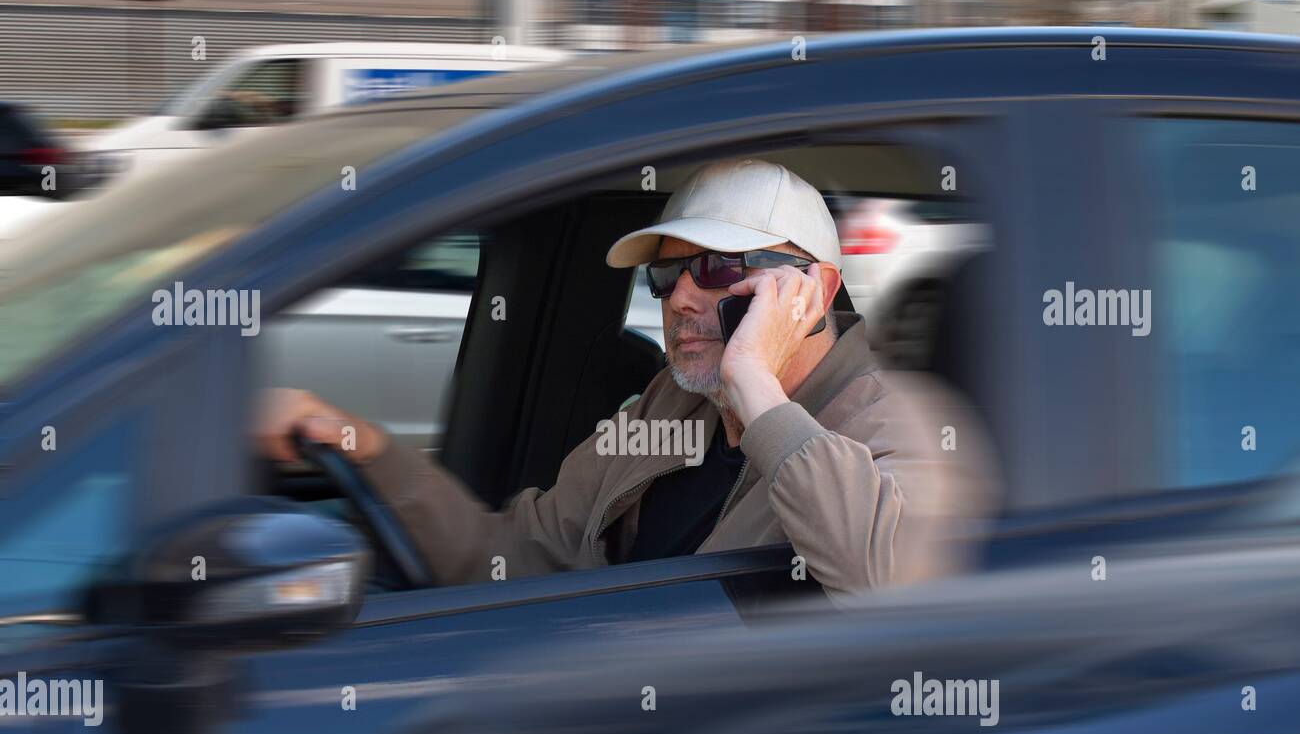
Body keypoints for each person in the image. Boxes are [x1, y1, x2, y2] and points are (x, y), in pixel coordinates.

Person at [256, 158, 997, 602]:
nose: (679, 298)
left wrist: (756, 389)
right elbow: (512, 556)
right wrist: (363, 448)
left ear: (814, 287)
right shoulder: (671, 406)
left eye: (715, 270)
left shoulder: (905, 421)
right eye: (667, 275)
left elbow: (889, 586)